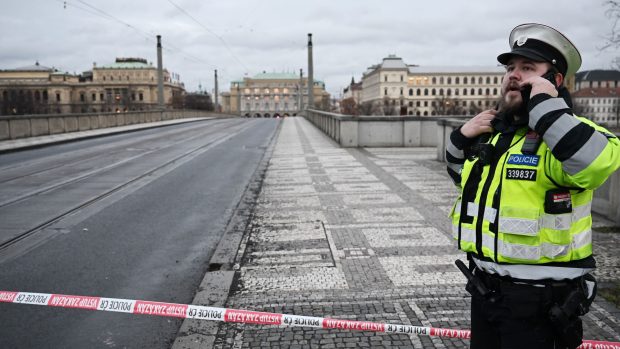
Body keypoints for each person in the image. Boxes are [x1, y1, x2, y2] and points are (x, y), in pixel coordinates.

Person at [446, 23, 620, 349]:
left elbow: (593, 165)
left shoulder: (571, 135)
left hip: (539, 304)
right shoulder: (499, 136)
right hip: (485, 293)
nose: (514, 74)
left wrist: (544, 106)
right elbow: (465, 180)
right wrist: (459, 138)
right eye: (510, 68)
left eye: (528, 68)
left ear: (553, 81)